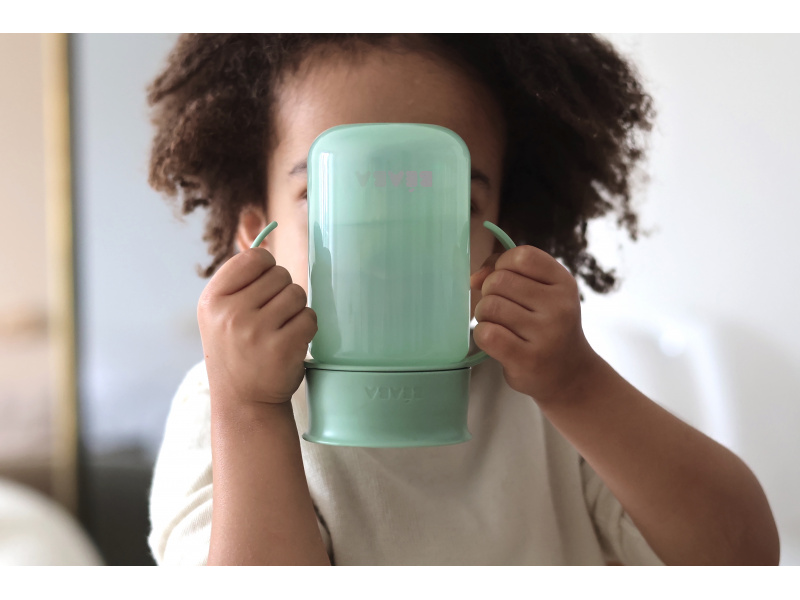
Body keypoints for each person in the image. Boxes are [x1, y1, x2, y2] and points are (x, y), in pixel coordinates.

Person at [144, 33, 780, 565]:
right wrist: (251, 413)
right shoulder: (223, 409)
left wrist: (576, 384)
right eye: (334, 195)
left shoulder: (553, 400)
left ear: (503, 235)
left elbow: (742, 558)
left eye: (448, 199)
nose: (389, 240)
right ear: (257, 236)